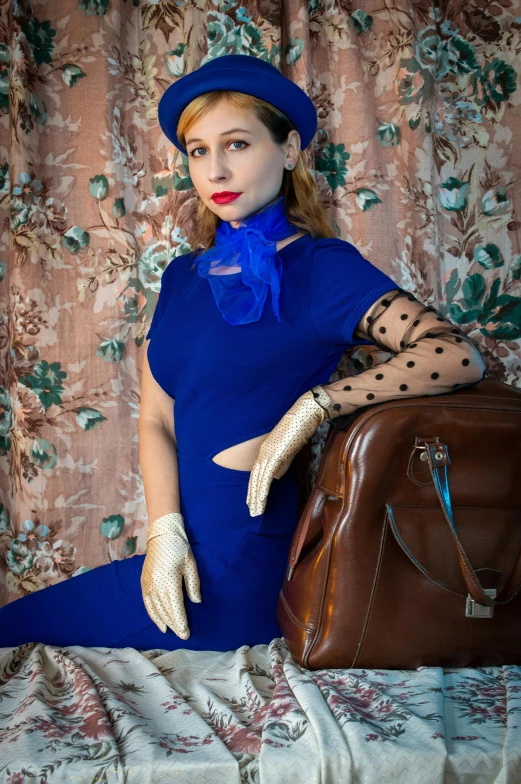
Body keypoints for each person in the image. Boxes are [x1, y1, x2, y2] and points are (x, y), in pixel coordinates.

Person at [0, 54, 487, 651]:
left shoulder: (323, 268)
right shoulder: (182, 276)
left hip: (237, 567)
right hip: (182, 556)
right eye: (199, 150)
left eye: (237, 143)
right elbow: (157, 417)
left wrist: (317, 405)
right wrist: (164, 532)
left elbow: (457, 355)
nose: (215, 169)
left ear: (288, 150)